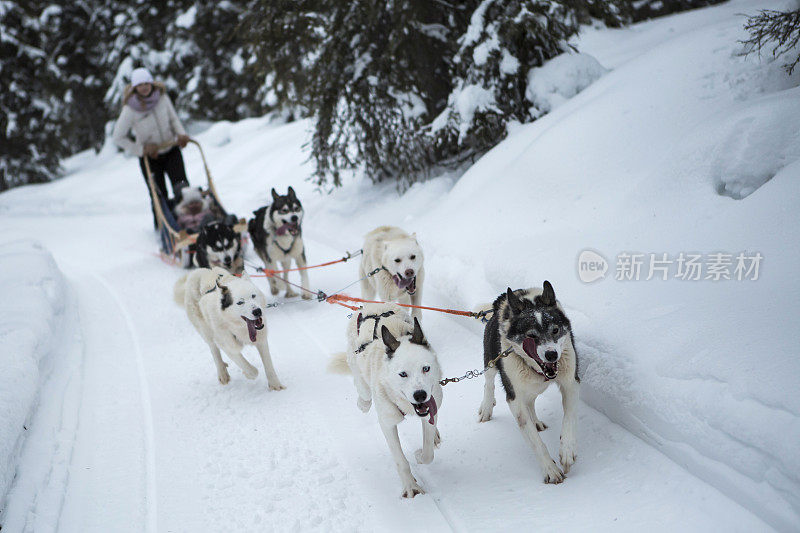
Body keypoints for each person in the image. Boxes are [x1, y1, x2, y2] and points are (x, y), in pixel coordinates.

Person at [112, 67, 192, 229]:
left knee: (182, 189)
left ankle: (190, 224)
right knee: (159, 195)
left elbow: (173, 119)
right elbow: (118, 137)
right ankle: (163, 230)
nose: (144, 87)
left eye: (146, 83)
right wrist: (141, 149)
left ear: (151, 83)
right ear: (135, 87)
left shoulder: (162, 98)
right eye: (140, 85)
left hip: (171, 150)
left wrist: (181, 134)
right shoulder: (130, 109)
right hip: (150, 158)